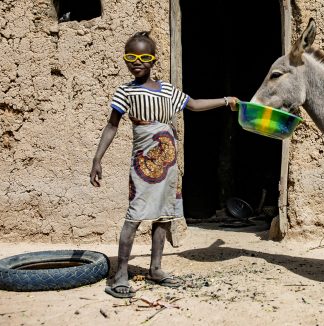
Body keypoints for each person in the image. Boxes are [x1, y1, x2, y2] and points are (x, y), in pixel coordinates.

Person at [90, 31, 238, 298]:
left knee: (164, 216)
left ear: (153, 60)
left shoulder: (168, 89)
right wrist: (97, 159)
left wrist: (226, 101)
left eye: (144, 57)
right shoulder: (125, 91)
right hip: (144, 161)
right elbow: (112, 126)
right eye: (131, 57)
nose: (137, 62)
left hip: (168, 161)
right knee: (134, 216)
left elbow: (193, 105)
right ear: (125, 60)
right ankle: (120, 274)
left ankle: (155, 268)